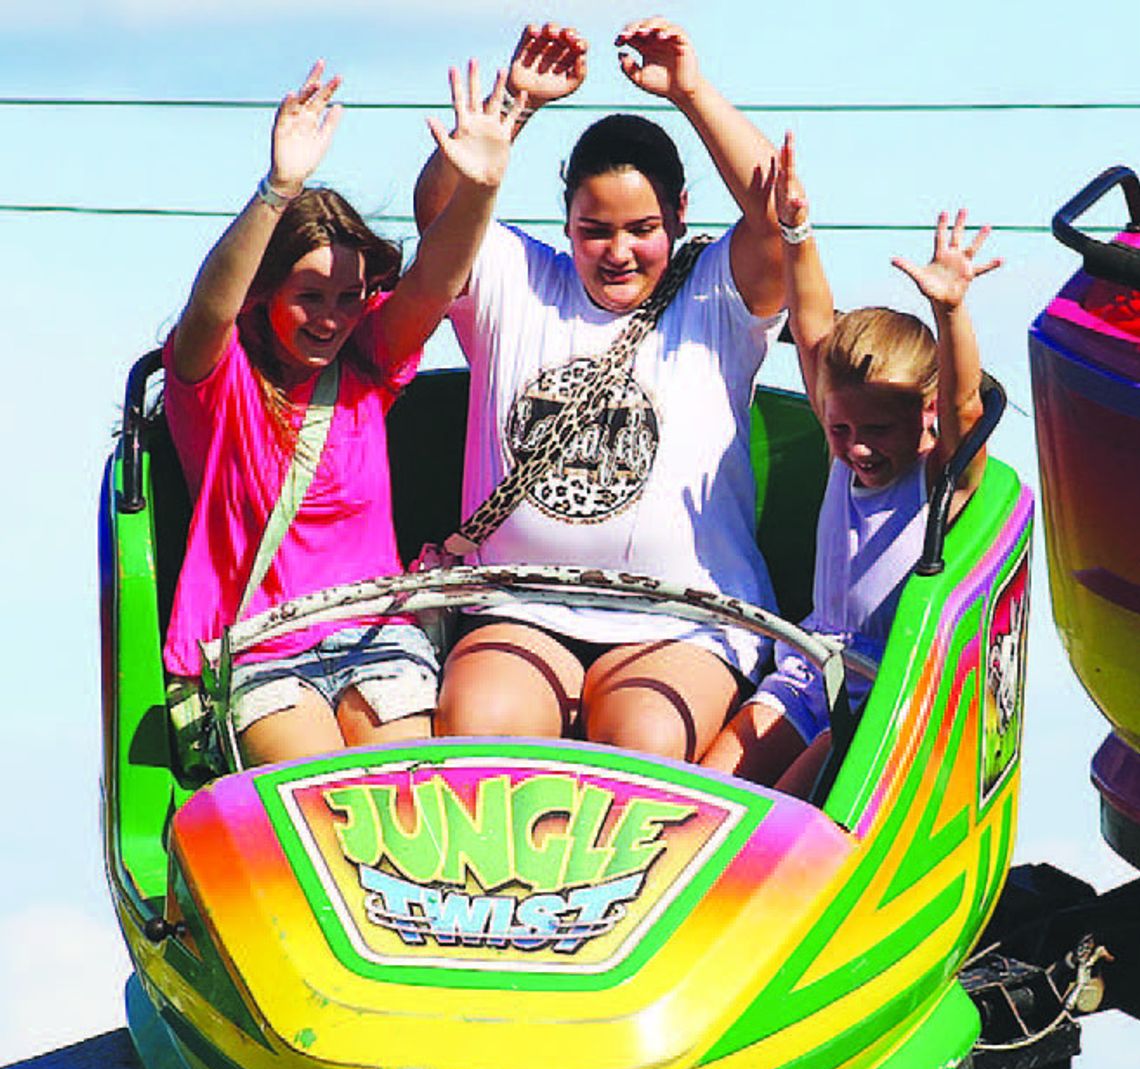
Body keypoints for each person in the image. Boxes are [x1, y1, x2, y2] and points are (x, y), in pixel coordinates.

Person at [412, 18, 787, 763]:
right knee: (479, 729)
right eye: (595, 231)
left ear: (680, 214)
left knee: (645, 745)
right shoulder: (520, 282)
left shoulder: (716, 293)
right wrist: (513, 107)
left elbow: (780, 213)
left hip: (680, 624)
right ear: (567, 224)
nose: (618, 253)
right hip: (521, 612)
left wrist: (689, 89)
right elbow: (440, 216)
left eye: (642, 228)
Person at [163, 59, 521, 767]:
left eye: (349, 297)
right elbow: (210, 308)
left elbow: (438, 278)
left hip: (373, 638)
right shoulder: (219, 381)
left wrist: (481, 184)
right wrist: (278, 191)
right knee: (320, 806)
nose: (332, 320)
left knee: (408, 801)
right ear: (266, 293)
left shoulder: (366, 363)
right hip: (266, 651)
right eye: (311, 297)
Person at [702, 131, 1001, 796]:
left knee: (779, 810)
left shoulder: (937, 475)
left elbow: (965, 410)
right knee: (706, 790)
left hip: (877, 699)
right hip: (809, 671)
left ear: (922, 415)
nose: (860, 449)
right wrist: (797, 230)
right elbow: (812, 327)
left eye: (879, 430)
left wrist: (950, 311)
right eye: (841, 428)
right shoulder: (846, 440)